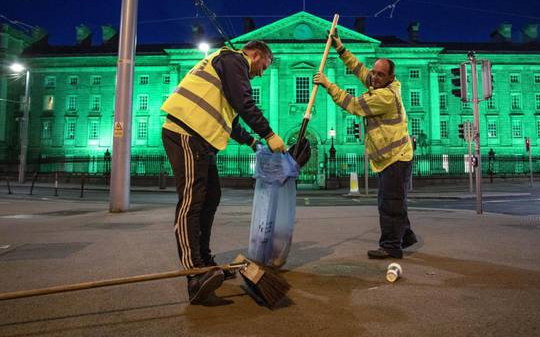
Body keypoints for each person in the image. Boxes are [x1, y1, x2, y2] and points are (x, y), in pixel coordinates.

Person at [161, 40, 285, 304]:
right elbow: (243, 102)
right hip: (185, 132)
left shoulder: (232, 69)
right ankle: (194, 273)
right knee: (192, 202)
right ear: (255, 54)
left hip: (202, 139)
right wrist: (269, 134)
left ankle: (205, 261)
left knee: (211, 197)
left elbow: (232, 119)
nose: (262, 72)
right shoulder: (232, 60)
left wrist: (253, 142)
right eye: (263, 66)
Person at [313, 30, 417, 259]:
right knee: (395, 200)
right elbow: (360, 70)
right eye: (375, 73)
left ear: (390, 78)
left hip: (396, 157)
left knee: (389, 203)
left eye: (380, 75)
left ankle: (391, 246)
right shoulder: (379, 83)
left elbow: (353, 105)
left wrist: (328, 84)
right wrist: (340, 48)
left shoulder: (385, 97)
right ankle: (405, 235)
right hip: (392, 157)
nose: (374, 77)